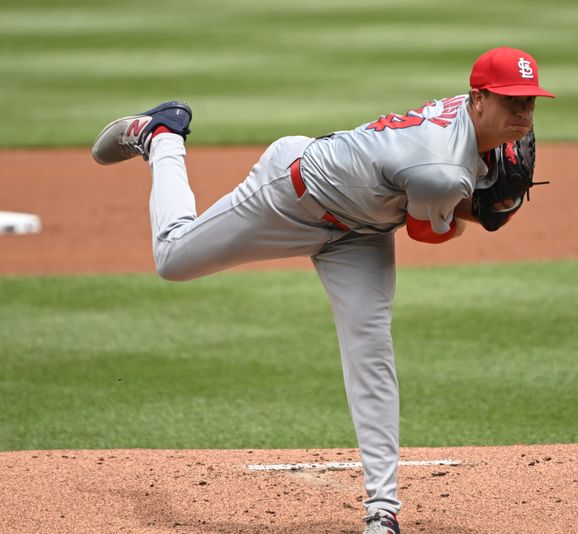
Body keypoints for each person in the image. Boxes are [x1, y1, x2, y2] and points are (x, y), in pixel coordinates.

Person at [91, 45, 554, 534]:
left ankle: (382, 511)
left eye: (530, 101)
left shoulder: (463, 122)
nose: (524, 112)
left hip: (361, 234)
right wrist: (482, 210)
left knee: (371, 351)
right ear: (478, 99)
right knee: (172, 259)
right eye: (512, 100)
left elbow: (441, 186)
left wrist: (478, 194)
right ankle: (162, 134)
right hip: (291, 197)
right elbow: (428, 233)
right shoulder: (440, 171)